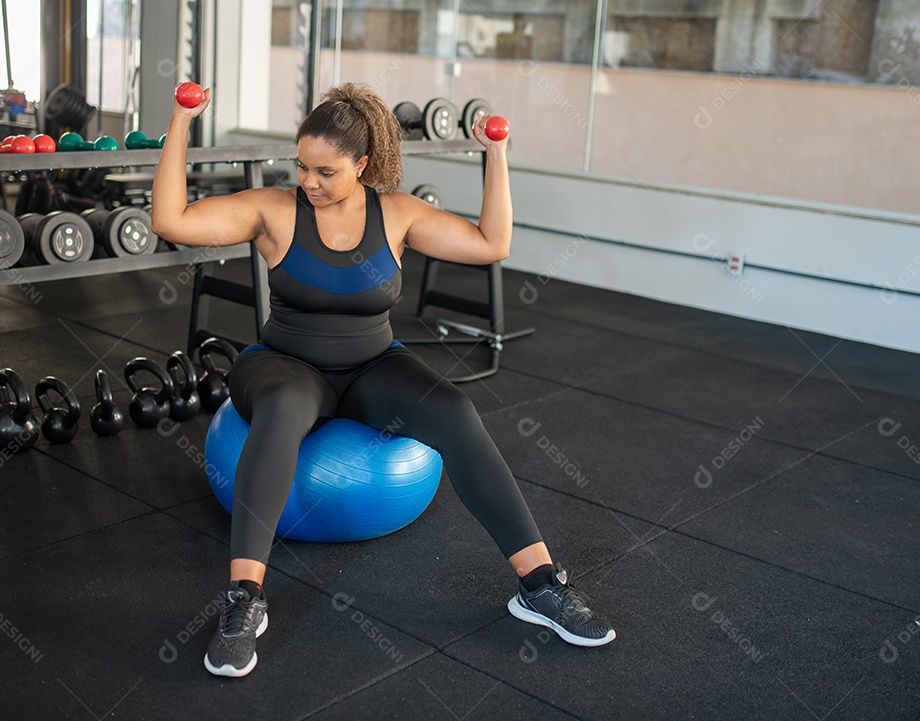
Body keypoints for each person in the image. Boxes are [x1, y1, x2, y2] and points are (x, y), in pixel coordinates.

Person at [151, 82, 615, 678]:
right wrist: (181, 122)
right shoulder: (273, 209)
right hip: (283, 363)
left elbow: (491, 243)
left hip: (372, 365)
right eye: (301, 166)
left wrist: (495, 156)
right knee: (287, 407)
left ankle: (541, 585)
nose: (309, 181)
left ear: (362, 165)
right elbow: (172, 221)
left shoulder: (395, 214)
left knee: (455, 412)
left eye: (325, 170)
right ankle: (245, 600)